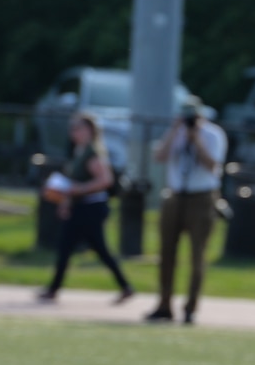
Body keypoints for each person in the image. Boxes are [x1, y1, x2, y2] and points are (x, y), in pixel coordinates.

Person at [39, 112, 135, 304]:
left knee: (80, 246)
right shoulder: (79, 151)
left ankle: (54, 289)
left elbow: (105, 180)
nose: (73, 132)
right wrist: (66, 201)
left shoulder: (92, 152)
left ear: (89, 130)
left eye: (78, 128)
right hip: (80, 206)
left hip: (91, 207)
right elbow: (73, 182)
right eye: (72, 128)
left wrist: (79, 190)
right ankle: (125, 286)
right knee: (81, 247)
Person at [146, 104, 227, 325]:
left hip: (202, 197)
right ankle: (164, 305)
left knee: (197, 255)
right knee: (166, 253)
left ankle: (190, 308)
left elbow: (212, 165)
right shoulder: (176, 132)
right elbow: (160, 157)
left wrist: (196, 139)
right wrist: (175, 131)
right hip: (175, 196)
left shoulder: (213, 134)